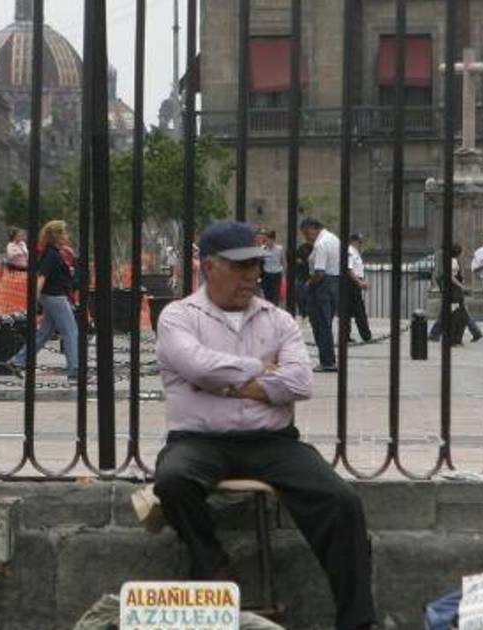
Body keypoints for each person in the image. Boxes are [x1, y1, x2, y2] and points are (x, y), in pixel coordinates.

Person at [153, 221, 375, 630]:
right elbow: (197, 365)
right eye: (240, 267)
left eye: (255, 265)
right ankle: (212, 565)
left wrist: (225, 385)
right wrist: (259, 368)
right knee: (173, 480)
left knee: (341, 502)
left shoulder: (278, 319)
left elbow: (300, 383)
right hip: (199, 439)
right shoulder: (178, 317)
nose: (252, 276)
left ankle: (358, 621)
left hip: (272, 441)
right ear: (209, 267)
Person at [5, 220, 79, 383]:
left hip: (52, 297)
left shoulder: (52, 253)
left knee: (44, 333)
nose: (67, 236)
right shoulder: (51, 254)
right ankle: (75, 369)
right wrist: (34, 299)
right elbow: (41, 277)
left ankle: (18, 361)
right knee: (71, 331)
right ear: (56, 235)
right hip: (55, 297)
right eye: (64, 233)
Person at [301, 217, 341, 372]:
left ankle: (327, 361)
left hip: (322, 285)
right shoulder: (334, 239)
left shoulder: (321, 244)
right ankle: (328, 359)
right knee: (326, 322)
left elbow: (319, 272)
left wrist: (309, 284)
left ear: (313, 228)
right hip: (335, 282)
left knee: (320, 324)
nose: (306, 238)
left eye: (307, 233)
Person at [429, 244, 483, 344]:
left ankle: (437, 334)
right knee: (458, 312)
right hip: (454, 291)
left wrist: (460, 285)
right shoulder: (452, 260)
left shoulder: (451, 260)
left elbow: (450, 276)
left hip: (453, 291)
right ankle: (474, 332)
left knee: (455, 312)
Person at [345, 233, 373, 343]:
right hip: (351, 284)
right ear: (354, 241)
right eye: (359, 241)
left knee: (348, 311)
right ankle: (366, 336)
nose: (360, 243)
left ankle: (345, 335)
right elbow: (348, 270)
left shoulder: (355, 252)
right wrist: (359, 283)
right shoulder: (350, 251)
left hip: (353, 283)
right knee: (359, 311)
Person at [257, 228, 285, 305]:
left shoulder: (279, 249)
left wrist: (284, 274)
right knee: (267, 294)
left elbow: (283, 261)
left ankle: (274, 307)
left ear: (273, 239)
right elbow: (260, 262)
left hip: (276, 273)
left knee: (275, 295)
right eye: (266, 239)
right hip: (267, 274)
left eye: (269, 239)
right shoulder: (263, 248)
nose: (268, 241)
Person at [294, 241, 314, 320]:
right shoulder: (301, 248)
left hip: (309, 276)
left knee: (306, 296)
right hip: (301, 276)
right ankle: (303, 313)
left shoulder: (314, 248)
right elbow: (296, 259)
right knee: (300, 296)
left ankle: (306, 313)